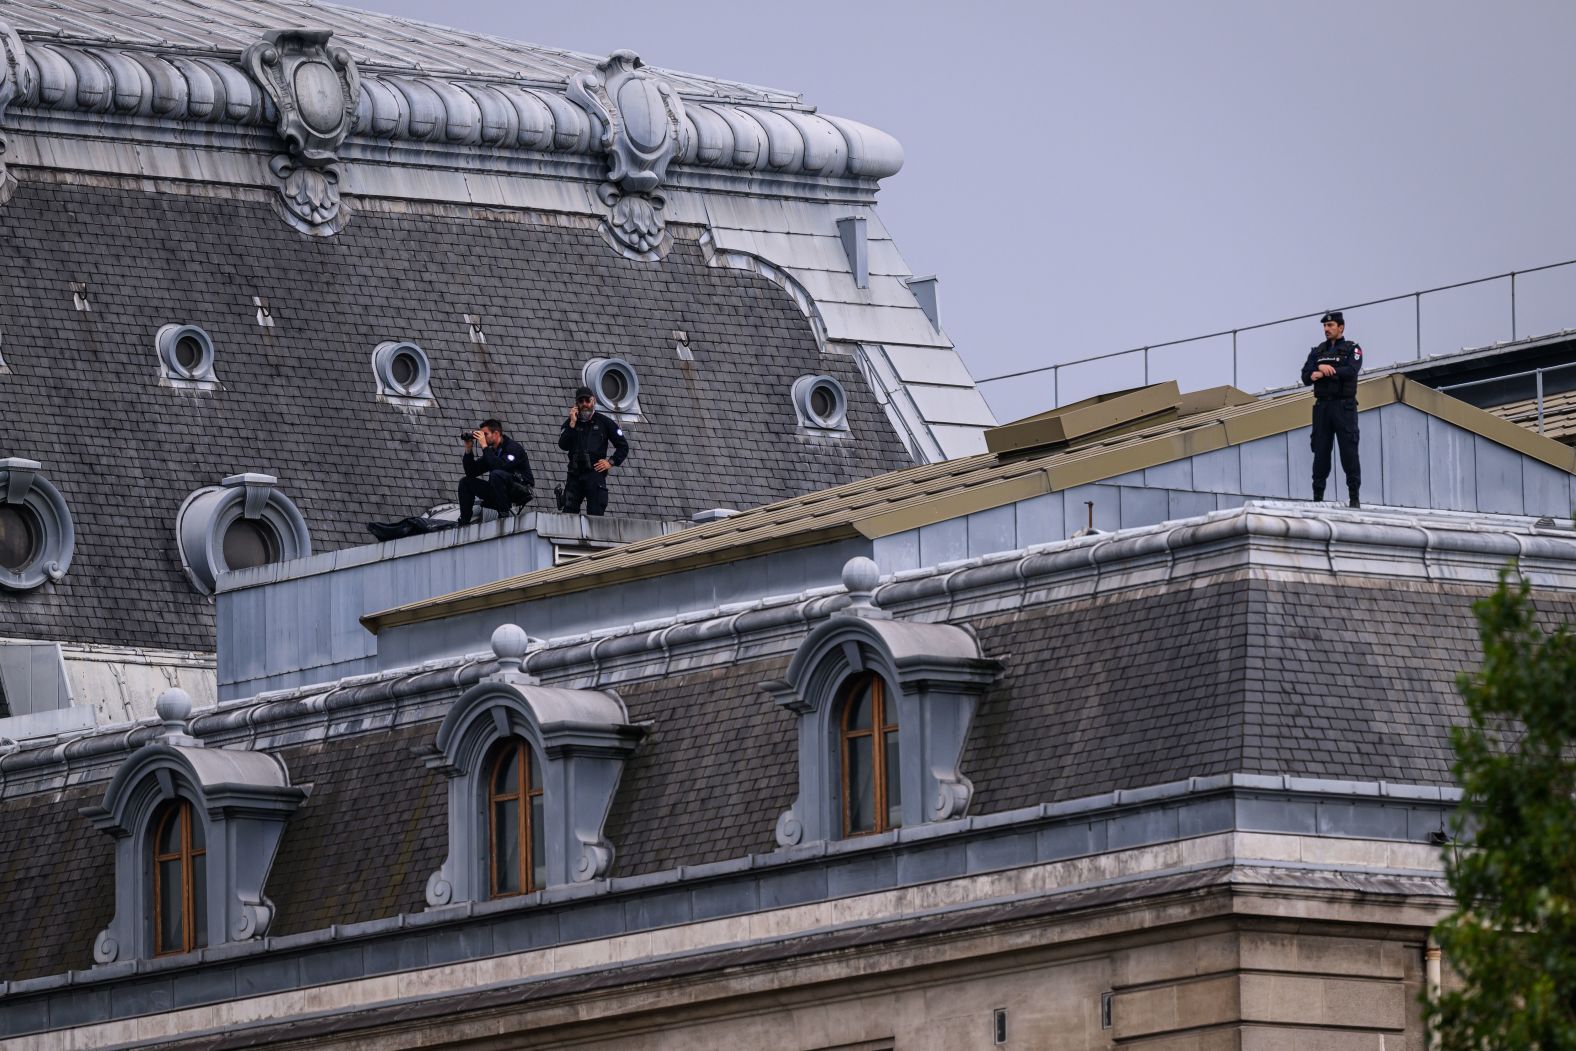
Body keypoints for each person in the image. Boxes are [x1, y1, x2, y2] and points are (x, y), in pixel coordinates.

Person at [1300, 310, 1364, 507]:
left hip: (1343, 407)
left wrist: (1330, 371)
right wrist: (1316, 371)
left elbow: (1351, 370)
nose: (1326, 329)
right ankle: (1317, 498)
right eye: (1325, 326)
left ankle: (1354, 497)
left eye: (1330, 326)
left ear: (1341, 327)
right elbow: (1305, 375)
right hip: (1323, 408)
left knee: (1348, 452)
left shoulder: (1352, 348)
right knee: (1320, 452)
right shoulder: (1317, 352)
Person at [558, 386, 629, 516]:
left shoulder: (604, 422)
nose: (584, 404)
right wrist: (572, 424)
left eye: (587, 400)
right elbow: (562, 445)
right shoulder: (570, 423)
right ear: (576, 404)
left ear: (593, 401)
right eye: (581, 401)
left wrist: (611, 462)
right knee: (568, 515)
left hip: (595, 474)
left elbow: (623, 446)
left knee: (595, 516)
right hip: (574, 475)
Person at [457, 418, 533, 526]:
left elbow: (500, 466)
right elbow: (471, 472)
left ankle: (503, 514)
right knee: (465, 482)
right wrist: (468, 450)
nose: (483, 438)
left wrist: (484, 446)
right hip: (500, 490)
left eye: (485, 434)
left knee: (496, 474)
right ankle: (464, 521)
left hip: (520, 487)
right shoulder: (492, 452)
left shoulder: (513, 448)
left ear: (496, 434)